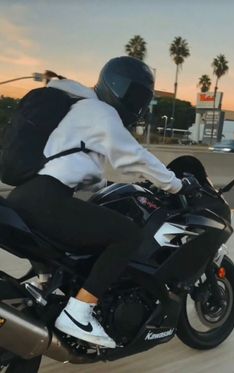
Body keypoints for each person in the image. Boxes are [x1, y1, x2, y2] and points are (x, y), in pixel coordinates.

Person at [7, 56, 199, 348]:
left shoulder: (79, 108)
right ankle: (79, 312)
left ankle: (43, 290)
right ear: (115, 87)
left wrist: (110, 184)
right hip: (46, 200)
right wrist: (175, 185)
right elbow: (135, 156)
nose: (137, 104)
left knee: (90, 228)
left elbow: (79, 166)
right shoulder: (99, 111)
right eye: (134, 95)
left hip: (27, 196)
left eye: (142, 98)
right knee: (126, 234)